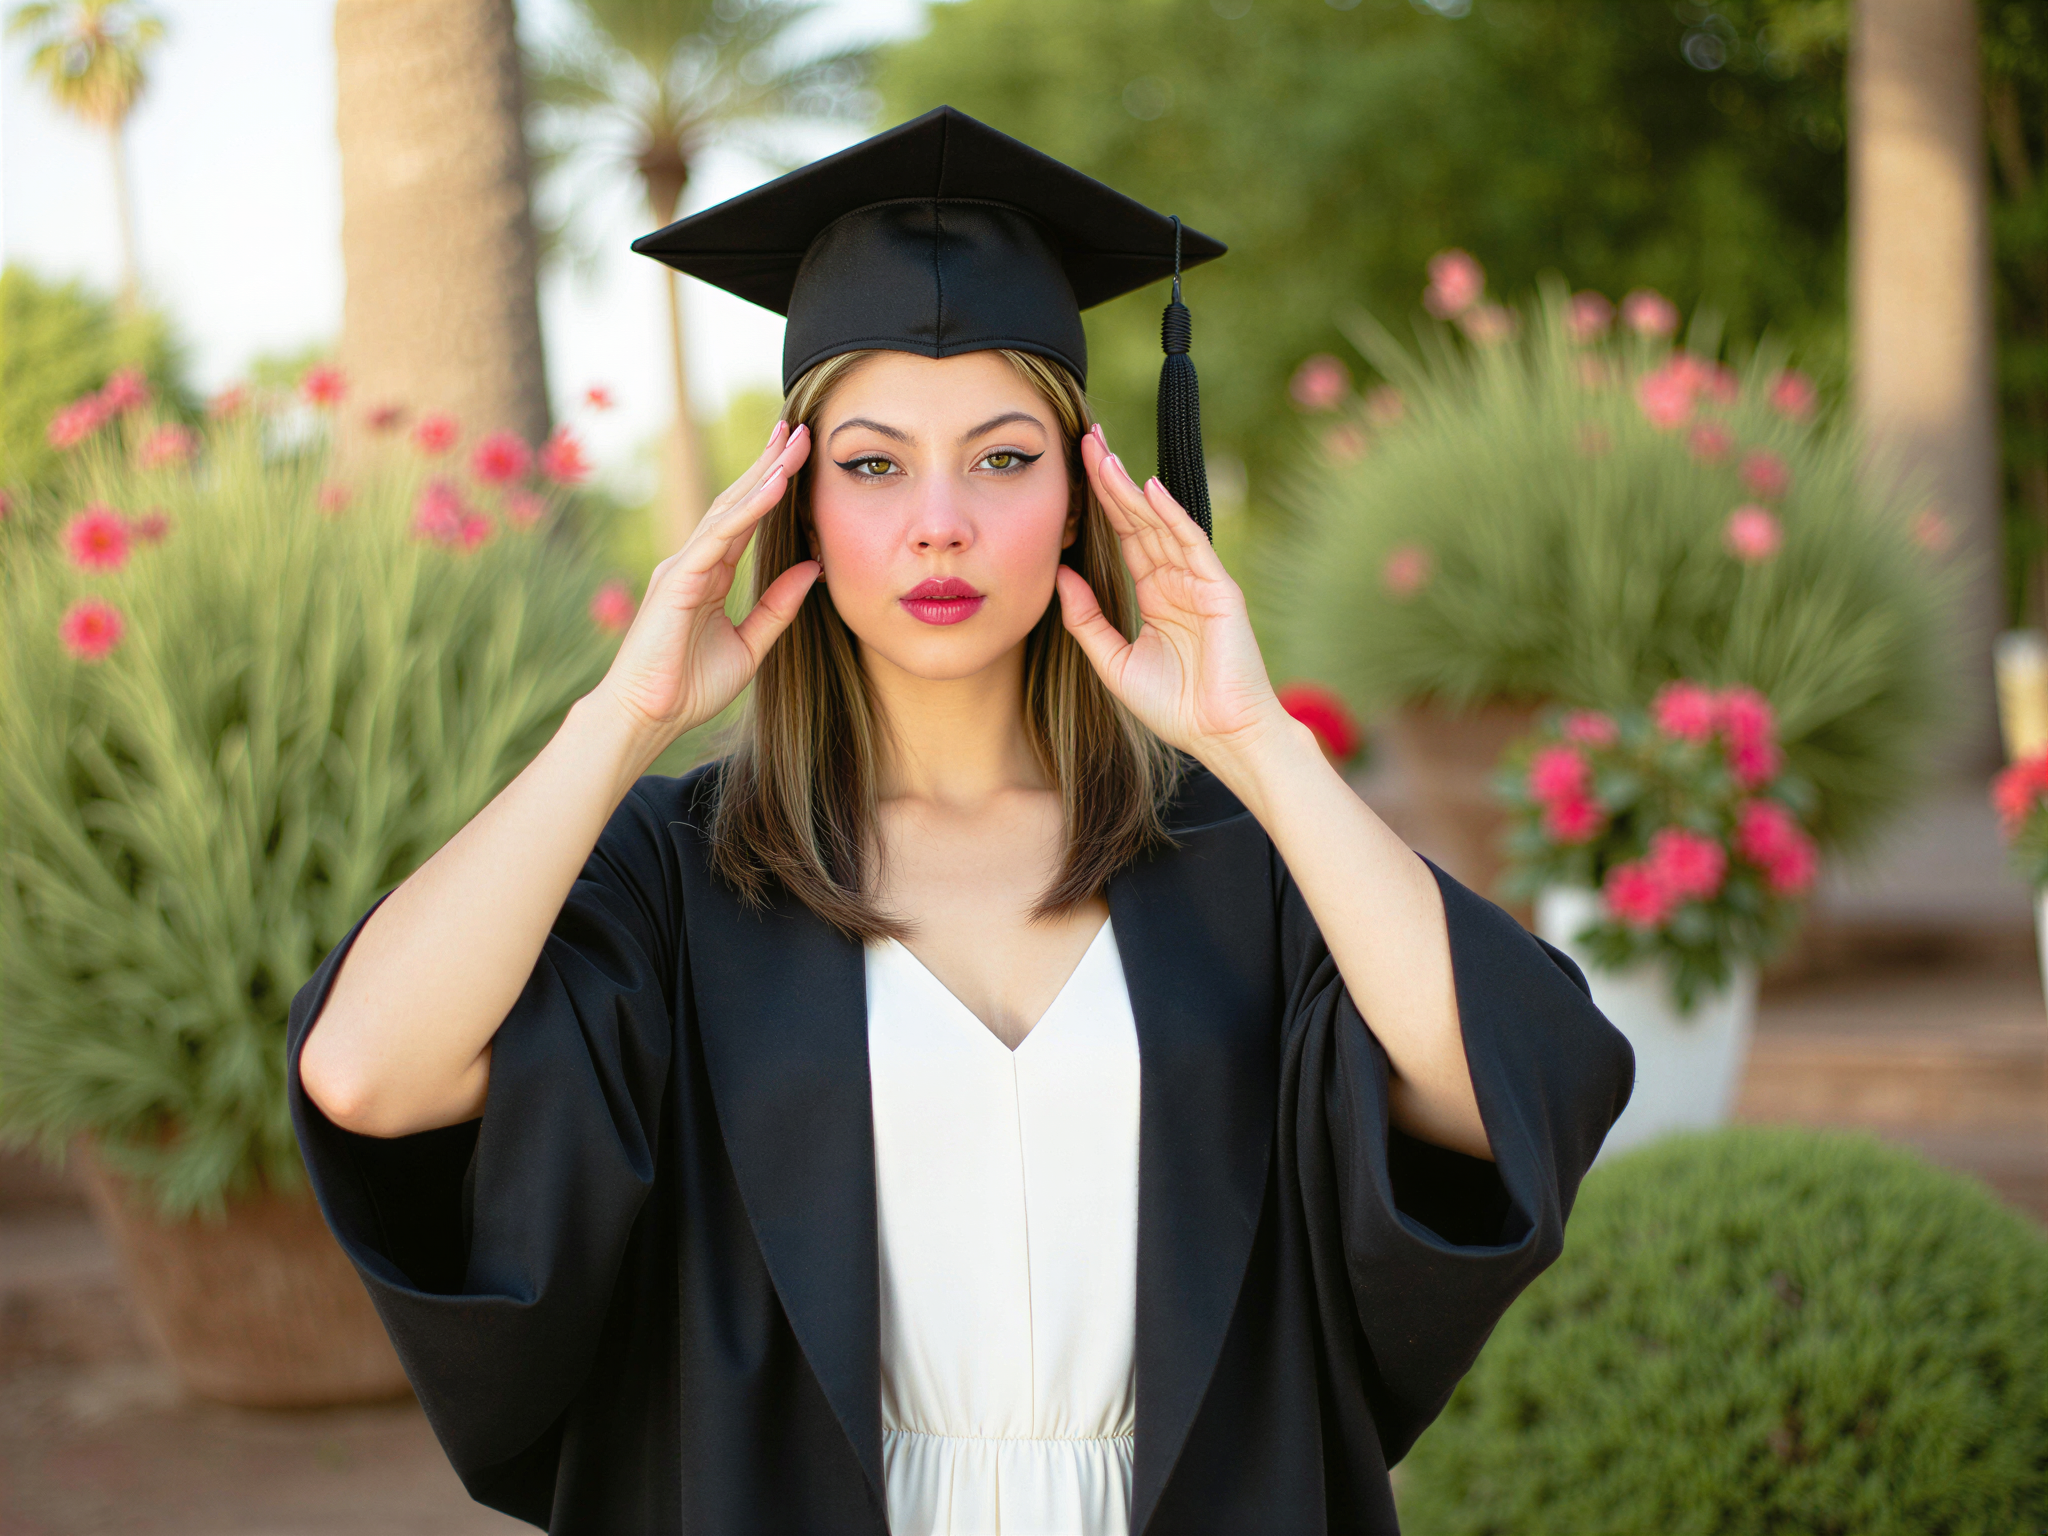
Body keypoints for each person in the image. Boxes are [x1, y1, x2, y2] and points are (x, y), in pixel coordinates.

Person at [289, 107, 1633, 1536]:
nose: (939, 522)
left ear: (1076, 501)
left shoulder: (1236, 866)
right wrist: (620, 719)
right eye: (873, 465)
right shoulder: (683, 878)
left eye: (1001, 459)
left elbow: (1511, 1093)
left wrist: (1261, 750)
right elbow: (368, 1075)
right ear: (798, 503)